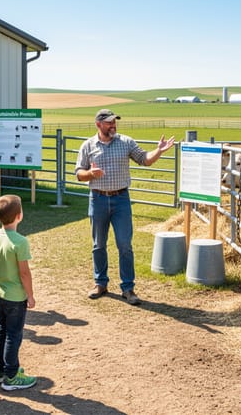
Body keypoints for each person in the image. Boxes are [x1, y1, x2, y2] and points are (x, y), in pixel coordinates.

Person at [75, 109, 175, 305]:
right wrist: (91, 174)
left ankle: (128, 288)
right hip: (98, 200)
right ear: (98, 124)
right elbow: (79, 173)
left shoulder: (126, 142)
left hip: (121, 199)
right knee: (98, 245)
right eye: (109, 123)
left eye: (115, 122)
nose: (113, 125)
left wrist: (159, 151)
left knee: (125, 245)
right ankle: (100, 283)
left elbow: (145, 159)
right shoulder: (88, 146)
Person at [0, 194, 37, 391]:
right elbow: (24, 272)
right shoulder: (20, 241)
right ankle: (11, 375)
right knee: (14, 335)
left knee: (1, 330)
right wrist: (31, 295)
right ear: (19, 215)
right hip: (15, 296)